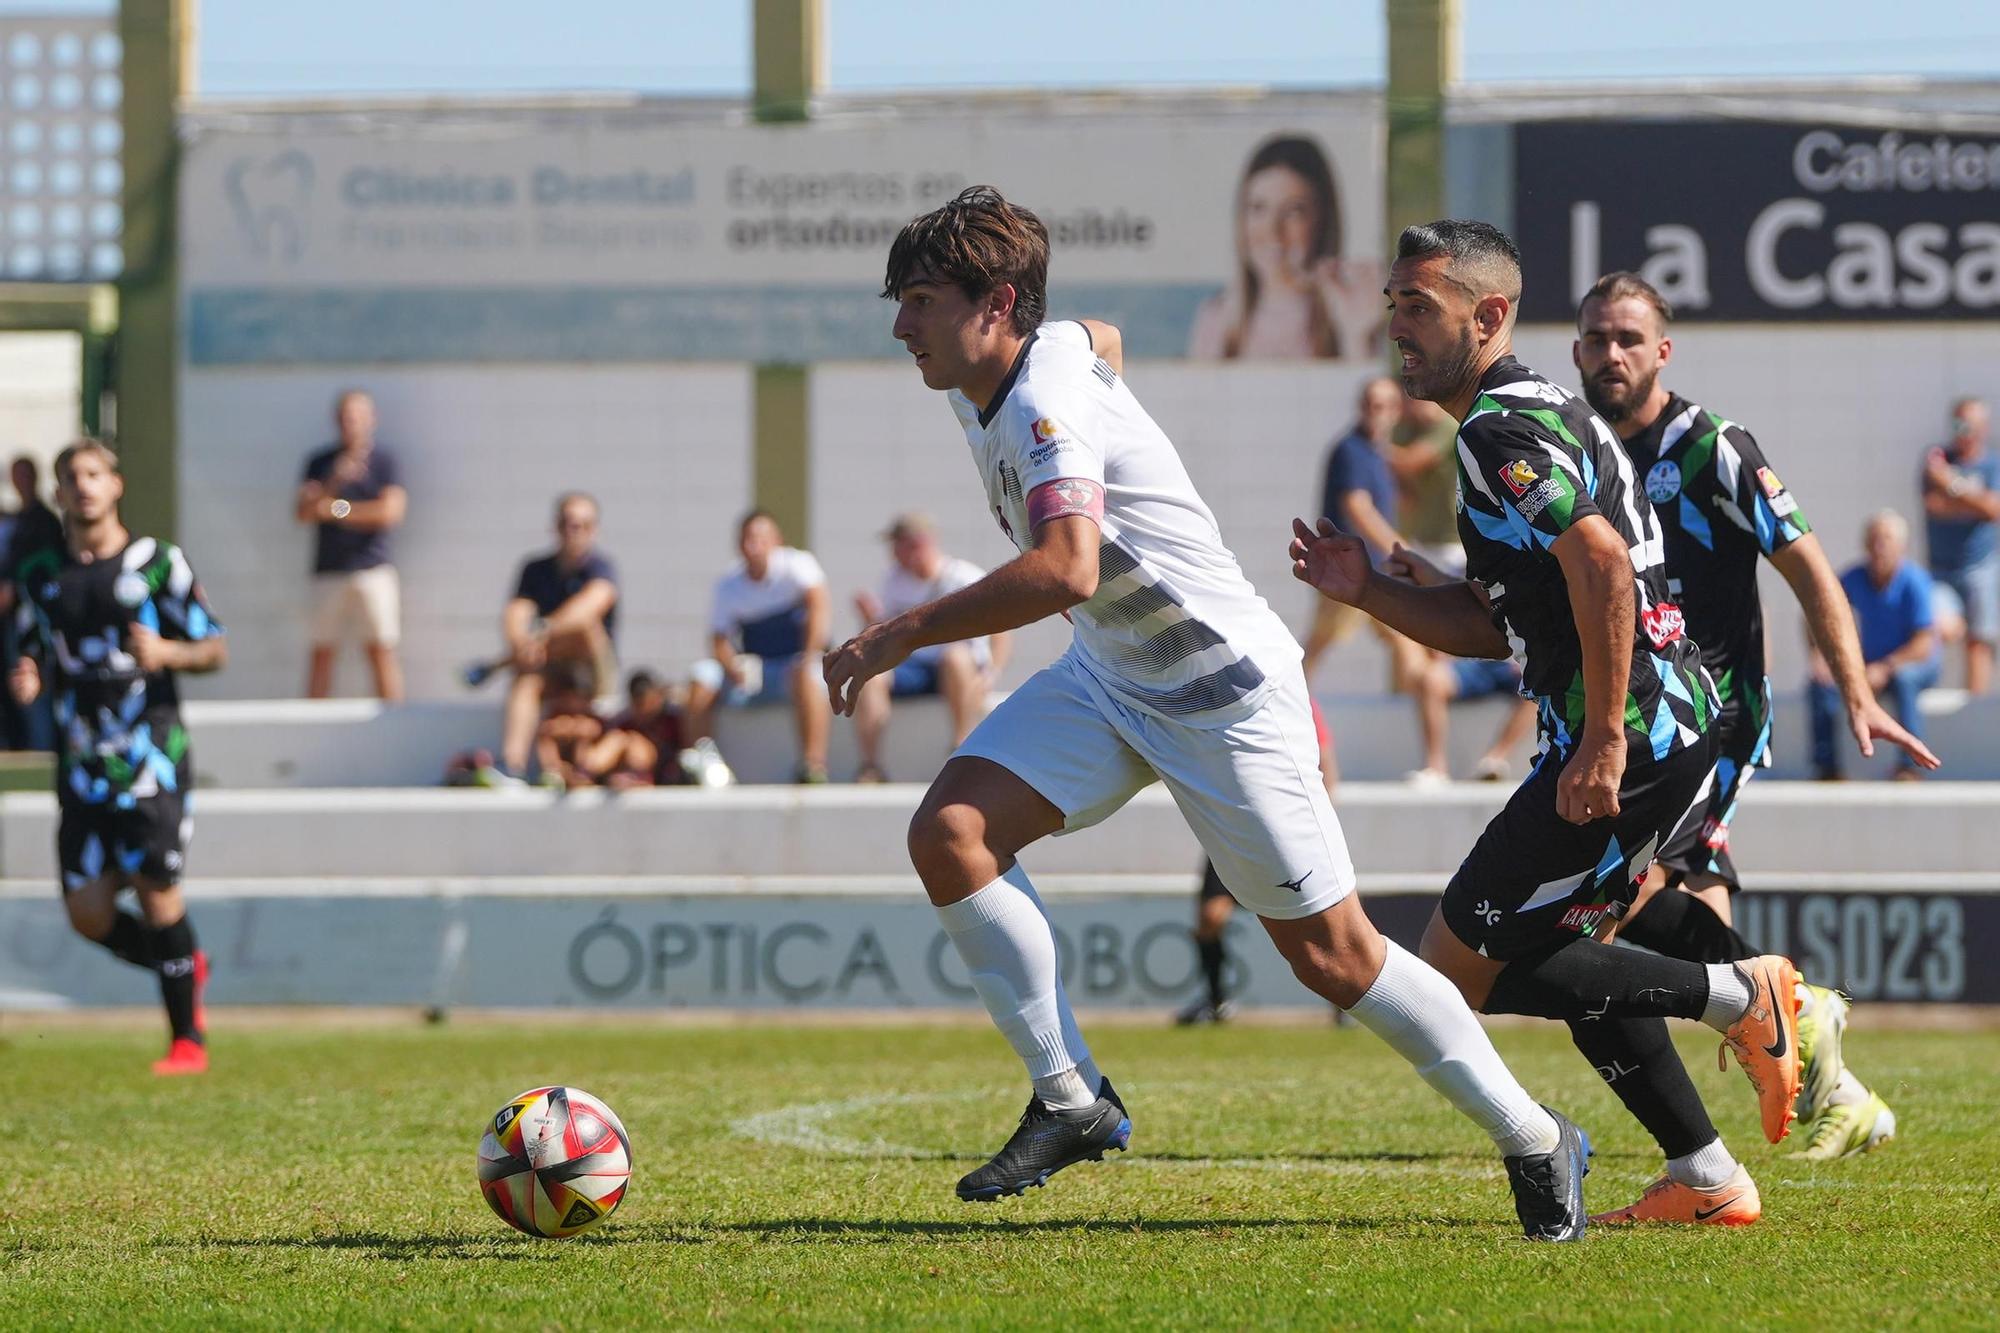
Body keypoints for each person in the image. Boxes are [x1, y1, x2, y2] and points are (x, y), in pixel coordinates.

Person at [825, 186, 1591, 1241]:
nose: (898, 326)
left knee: (1335, 958)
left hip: (1223, 694)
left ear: (996, 303)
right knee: (950, 832)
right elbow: (1103, 334)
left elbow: (1063, 564)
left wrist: (894, 633)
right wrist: (1102, 396)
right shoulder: (1011, 360)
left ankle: (1533, 1135)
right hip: (1108, 676)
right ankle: (1071, 1099)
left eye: (916, 300)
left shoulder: (1041, 393)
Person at [1295, 218, 1803, 1227]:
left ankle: (1741, 997)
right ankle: (1705, 1177)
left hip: (1632, 736)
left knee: (1453, 966)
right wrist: (1371, 592)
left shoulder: (1496, 429)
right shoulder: (1532, 413)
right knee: (1556, 957)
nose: (1395, 323)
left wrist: (1603, 740)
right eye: (1392, 300)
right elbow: (1499, 626)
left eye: (1417, 305)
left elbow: (1601, 565)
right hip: (1652, 728)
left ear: (1487, 314)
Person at [1574, 272, 1934, 1159]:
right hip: (1646, 719)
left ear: (1663, 350)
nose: (1610, 354)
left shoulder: (1711, 447)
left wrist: (1856, 690)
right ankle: (1838, 1090)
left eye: (1628, 338)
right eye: (1595, 339)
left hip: (1712, 721)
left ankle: (1792, 1024)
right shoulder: (1585, 451)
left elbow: (1809, 567)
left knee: (1600, 910)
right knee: (1682, 909)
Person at [10, 440, 226, 1074]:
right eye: (72, 477)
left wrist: (170, 653)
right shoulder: (42, 576)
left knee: (157, 890)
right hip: (80, 765)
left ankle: (187, 1039)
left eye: (94, 475)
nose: (83, 486)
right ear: (58, 493)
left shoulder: (158, 563)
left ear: (116, 485)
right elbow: (31, 650)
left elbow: (214, 647)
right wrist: (28, 675)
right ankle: (183, 959)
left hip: (148, 753)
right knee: (89, 915)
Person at [1186, 135, 1379, 362]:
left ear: (1321, 220)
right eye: (1258, 208)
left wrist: (1357, 336)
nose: (1272, 231)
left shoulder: (1347, 314)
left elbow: (1366, 393)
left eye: (1293, 211)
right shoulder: (1215, 319)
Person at [851, 513, 1009, 782]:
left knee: (955, 657)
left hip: (958, 667)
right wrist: (869, 622)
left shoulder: (963, 576)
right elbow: (888, 631)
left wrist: (992, 672)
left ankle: (961, 748)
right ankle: (870, 765)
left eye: (898, 545)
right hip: (913, 666)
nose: (893, 553)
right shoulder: (894, 580)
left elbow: (1001, 628)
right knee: (871, 677)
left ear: (918, 544)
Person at [686, 510, 832, 784]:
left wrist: (809, 655)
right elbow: (718, 638)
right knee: (701, 676)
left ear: (776, 540)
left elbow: (819, 608)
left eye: (760, 537)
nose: (753, 545)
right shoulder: (728, 583)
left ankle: (813, 765)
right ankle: (703, 764)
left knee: (808, 673)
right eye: (747, 538)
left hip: (794, 664)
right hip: (755, 668)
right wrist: (731, 666)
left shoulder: (798, 565)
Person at [496, 493, 620, 783]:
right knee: (526, 680)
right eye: (568, 524)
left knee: (584, 629)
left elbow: (590, 608)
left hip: (593, 675)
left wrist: (540, 634)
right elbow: (516, 611)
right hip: (550, 671)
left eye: (583, 525)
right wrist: (520, 644)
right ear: (556, 526)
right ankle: (511, 768)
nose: (574, 531)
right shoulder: (535, 569)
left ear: (595, 529)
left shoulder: (601, 568)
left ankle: (592, 748)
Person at [1811, 511, 1940, 783]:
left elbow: (1924, 644)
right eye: (1873, 539)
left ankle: (1909, 766)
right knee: (1820, 684)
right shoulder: (1855, 577)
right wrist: (1820, 655)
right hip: (1871, 665)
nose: (1879, 546)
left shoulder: (1914, 582)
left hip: (1909, 665)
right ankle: (1827, 768)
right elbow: (1817, 608)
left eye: (1886, 539)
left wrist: (1887, 667)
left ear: (1901, 546)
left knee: (1905, 681)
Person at [296, 389, 406, 701]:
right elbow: (304, 511)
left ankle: (396, 721)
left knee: (381, 649)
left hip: (373, 570)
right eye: (347, 417)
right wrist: (333, 481)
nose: (352, 424)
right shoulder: (320, 463)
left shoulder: (385, 462)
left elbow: (389, 512)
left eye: (359, 417)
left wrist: (336, 508)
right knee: (321, 651)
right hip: (329, 571)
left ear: (372, 420)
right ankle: (312, 724)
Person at [1920, 397, 1999, 694]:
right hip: (1941, 568)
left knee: (1979, 641)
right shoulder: (1936, 459)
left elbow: (1993, 510)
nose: (1961, 431)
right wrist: (1974, 504)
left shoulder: (1991, 464)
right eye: (1957, 424)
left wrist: (1952, 485)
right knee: (1940, 627)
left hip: (1981, 566)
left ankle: (1975, 710)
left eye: (1968, 424)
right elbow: (1935, 506)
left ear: (1983, 427)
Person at [532, 660, 607, 790]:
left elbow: (594, 729)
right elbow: (547, 729)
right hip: (562, 766)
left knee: (584, 733)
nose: (570, 700)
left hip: (589, 768)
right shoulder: (556, 714)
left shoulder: (592, 716)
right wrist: (566, 727)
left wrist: (573, 728)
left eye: (575, 696)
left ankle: (582, 774)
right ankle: (554, 775)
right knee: (546, 738)